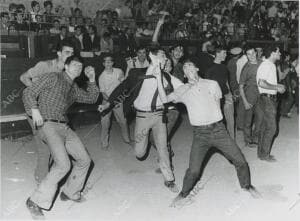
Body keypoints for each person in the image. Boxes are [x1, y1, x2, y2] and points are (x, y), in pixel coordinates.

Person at [154, 59, 260, 208]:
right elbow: (164, 99)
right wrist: (158, 77)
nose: (188, 68)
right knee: (194, 171)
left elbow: (217, 104)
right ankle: (183, 194)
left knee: (241, 161)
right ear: (184, 74)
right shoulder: (182, 90)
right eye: (185, 68)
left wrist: (214, 120)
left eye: (191, 65)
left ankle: (247, 186)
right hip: (200, 134)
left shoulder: (212, 84)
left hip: (218, 130)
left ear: (197, 68)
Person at [24, 55, 99, 219]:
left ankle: (70, 192)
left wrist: (92, 79)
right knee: (63, 164)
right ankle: (35, 201)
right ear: (65, 66)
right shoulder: (53, 77)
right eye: (74, 65)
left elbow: (92, 98)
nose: (78, 68)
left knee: (85, 160)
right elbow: (29, 93)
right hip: (48, 124)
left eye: (80, 66)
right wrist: (35, 109)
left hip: (64, 126)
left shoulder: (74, 88)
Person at [98, 47, 181, 193]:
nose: (166, 59)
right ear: (152, 56)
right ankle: (147, 139)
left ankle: (169, 179)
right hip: (142, 117)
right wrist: (108, 103)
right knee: (139, 153)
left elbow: (183, 87)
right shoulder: (137, 74)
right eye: (162, 55)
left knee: (162, 148)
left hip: (159, 116)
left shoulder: (166, 76)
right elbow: (121, 89)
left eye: (166, 57)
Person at [20, 41, 74, 184]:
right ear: (58, 53)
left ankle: (45, 177)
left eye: (72, 53)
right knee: (45, 148)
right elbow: (23, 77)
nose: (70, 55)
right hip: (35, 110)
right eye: (67, 52)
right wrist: (38, 95)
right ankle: (41, 181)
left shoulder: (67, 72)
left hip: (52, 113)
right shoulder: (45, 66)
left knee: (53, 146)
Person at [256, 45, 286, 162]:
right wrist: (276, 87)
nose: (280, 54)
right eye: (278, 52)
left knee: (265, 127)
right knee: (272, 128)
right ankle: (264, 155)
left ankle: (262, 154)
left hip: (268, 99)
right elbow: (261, 83)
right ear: (273, 53)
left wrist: (276, 87)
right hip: (267, 99)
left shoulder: (271, 65)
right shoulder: (266, 65)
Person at [98, 54, 131, 150]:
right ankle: (104, 143)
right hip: (106, 101)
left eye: (110, 61)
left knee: (123, 121)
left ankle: (127, 139)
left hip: (118, 101)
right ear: (103, 64)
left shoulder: (119, 71)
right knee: (105, 123)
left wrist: (117, 101)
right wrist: (111, 103)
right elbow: (103, 93)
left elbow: (124, 84)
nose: (108, 63)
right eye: (106, 61)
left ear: (113, 63)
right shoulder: (101, 77)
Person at [205, 46, 235, 139]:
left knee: (231, 121)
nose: (226, 55)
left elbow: (226, 82)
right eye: (224, 53)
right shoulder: (210, 69)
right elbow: (207, 87)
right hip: (216, 98)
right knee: (218, 122)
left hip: (227, 96)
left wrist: (230, 94)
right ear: (217, 53)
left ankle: (232, 142)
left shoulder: (224, 67)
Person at [239, 46, 263, 148]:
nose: (252, 56)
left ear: (256, 53)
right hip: (249, 96)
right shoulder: (246, 68)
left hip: (260, 95)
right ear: (246, 56)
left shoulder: (261, 63)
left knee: (260, 118)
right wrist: (244, 101)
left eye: (253, 53)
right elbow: (241, 87)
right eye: (249, 54)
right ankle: (248, 140)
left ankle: (255, 138)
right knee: (248, 120)